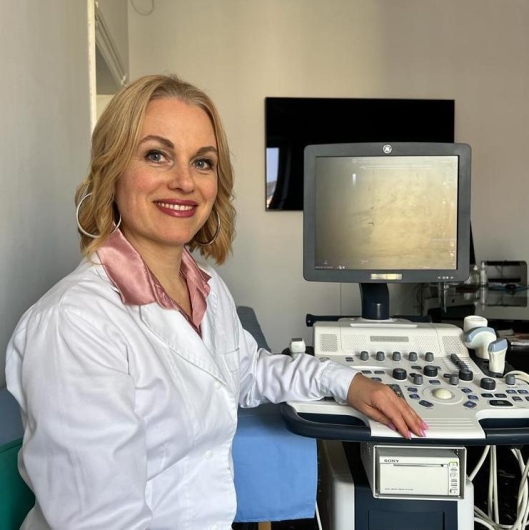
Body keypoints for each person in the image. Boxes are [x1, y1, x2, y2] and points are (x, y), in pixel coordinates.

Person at [5, 74, 427, 530]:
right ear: (112, 170)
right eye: (156, 155)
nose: (185, 181)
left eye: (202, 162)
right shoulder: (74, 325)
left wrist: (346, 381)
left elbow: (246, 370)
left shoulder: (206, 286)